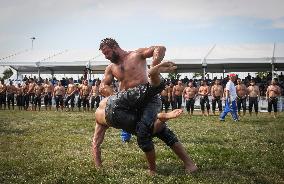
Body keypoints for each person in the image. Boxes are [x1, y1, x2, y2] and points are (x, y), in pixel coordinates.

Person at [93, 38, 197, 174]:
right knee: (161, 131)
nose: (106, 57)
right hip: (129, 102)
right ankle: (188, 163)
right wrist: (115, 96)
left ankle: (156, 169)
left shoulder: (136, 54)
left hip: (149, 100)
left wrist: (154, 64)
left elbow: (159, 48)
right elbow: (103, 86)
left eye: (107, 53)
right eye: (104, 54)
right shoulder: (111, 68)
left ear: (114, 47)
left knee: (144, 131)